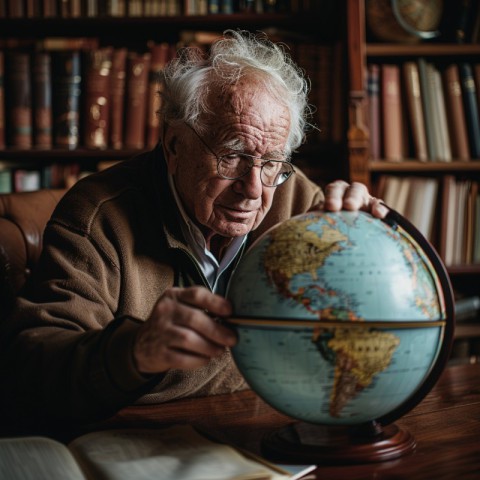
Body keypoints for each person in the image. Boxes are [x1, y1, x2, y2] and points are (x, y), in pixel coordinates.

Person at [0, 30, 387, 432]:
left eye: (271, 162)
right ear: (173, 146)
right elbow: (30, 369)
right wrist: (135, 349)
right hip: (131, 438)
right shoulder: (97, 214)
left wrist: (375, 239)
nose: (253, 188)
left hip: (259, 430)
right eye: (232, 155)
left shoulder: (298, 201)